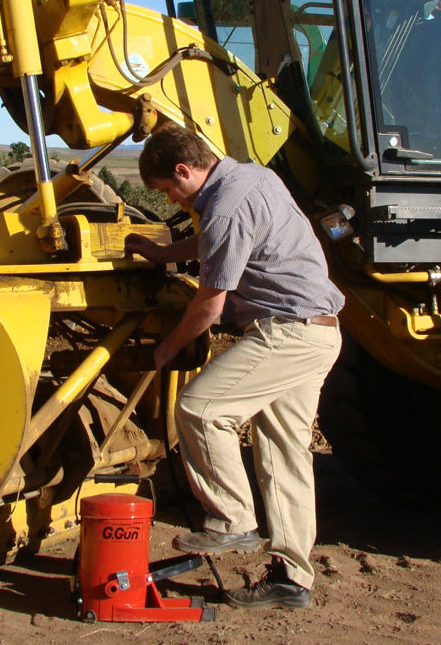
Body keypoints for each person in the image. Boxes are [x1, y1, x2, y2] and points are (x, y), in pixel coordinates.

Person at [124, 123, 344, 609]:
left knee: (200, 409)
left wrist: (168, 347)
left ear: (184, 169)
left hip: (288, 332)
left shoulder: (224, 207)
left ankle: (232, 519)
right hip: (320, 332)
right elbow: (223, 242)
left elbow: (210, 306)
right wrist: (164, 252)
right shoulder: (253, 177)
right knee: (284, 454)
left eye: (168, 190)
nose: (173, 200)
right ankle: (292, 580)